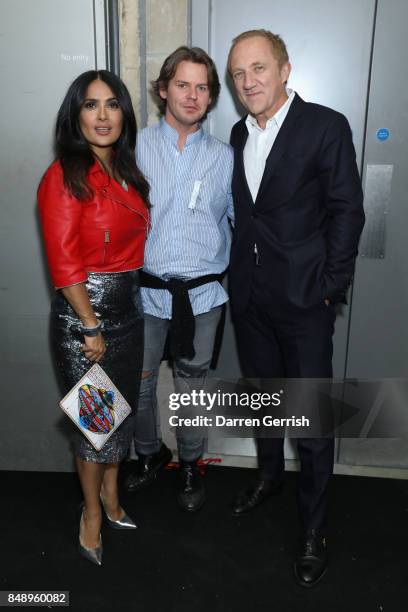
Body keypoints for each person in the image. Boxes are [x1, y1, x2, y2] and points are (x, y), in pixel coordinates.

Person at [227, 30, 365, 587]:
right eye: (238, 74)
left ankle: (314, 527)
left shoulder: (325, 126)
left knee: (310, 423)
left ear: (285, 69)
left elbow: (346, 212)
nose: (247, 82)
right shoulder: (239, 133)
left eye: (258, 68)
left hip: (306, 302)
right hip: (251, 300)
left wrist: (329, 287)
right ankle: (267, 477)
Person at [38, 70, 150, 566]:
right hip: (87, 320)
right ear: (75, 115)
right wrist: (89, 324)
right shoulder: (65, 175)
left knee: (116, 418)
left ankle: (110, 497)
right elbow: (64, 264)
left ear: (125, 113)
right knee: (95, 425)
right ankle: (91, 514)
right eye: (90, 105)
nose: (102, 116)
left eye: (112, 105)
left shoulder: (128, 170)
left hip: (129, 310)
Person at [124, 47, 234, 512]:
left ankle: (190, 463)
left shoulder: (228, 158)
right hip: (146, 293)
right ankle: (151, 454)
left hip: (202, 296)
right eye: (183, 85)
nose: (192, 95)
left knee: (193, 389)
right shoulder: (134, 149)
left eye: (202, 87)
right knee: (140, 385)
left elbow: (243, 223)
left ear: (211, 98)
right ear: (164, 89)